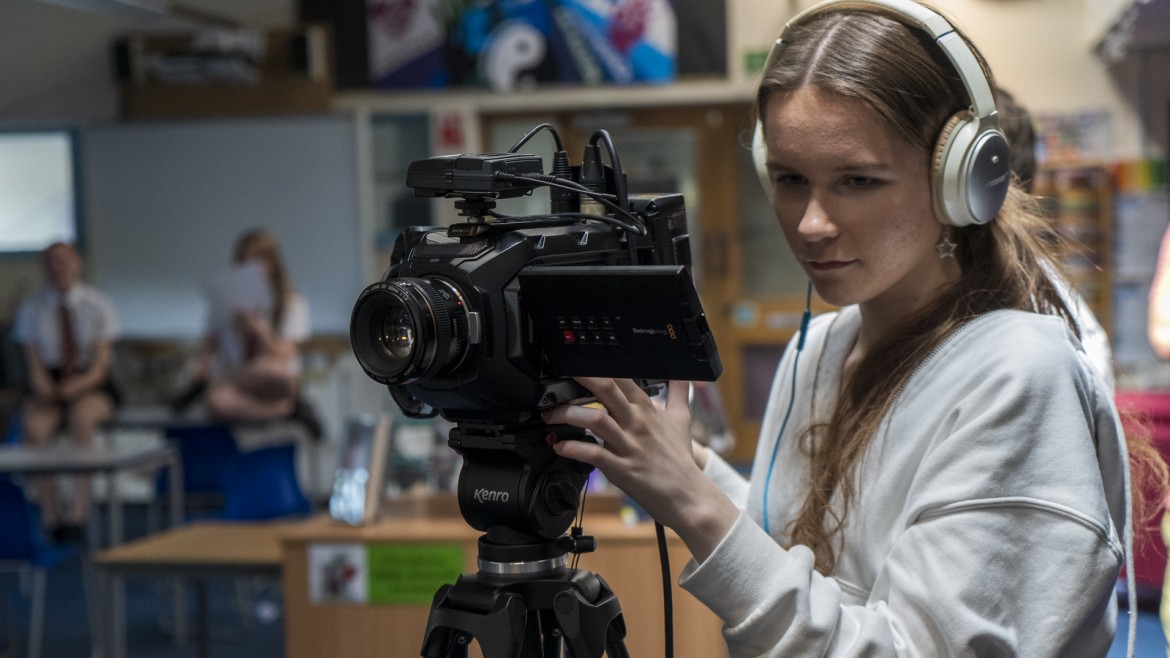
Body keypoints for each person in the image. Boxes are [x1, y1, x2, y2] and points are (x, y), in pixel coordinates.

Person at [543, 0, 1165, 654]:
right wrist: (682, 464)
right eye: (788, 178)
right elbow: (791, 553)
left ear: (960, 181)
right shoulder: (820, 346)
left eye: (858, 180)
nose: (810, 223)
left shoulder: (1020, 374)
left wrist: (694, 506)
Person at [14, 241, 120, 543]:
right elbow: (33, 364)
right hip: (51, 382)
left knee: (81, 420)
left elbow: (100, 368)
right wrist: (47, 388)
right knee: (34, 428)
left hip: (89, 382)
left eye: (64, 261)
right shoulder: (32, 309)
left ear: (78, 264)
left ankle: (78, 512)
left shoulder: (98, 305)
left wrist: (78, 386)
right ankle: (51, 513)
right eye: (51, 262)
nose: (58, 269)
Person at [183, 229, 313, 425]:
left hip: (273, 379)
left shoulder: (292, 303)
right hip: (240, 385)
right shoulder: (224, 304)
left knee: (273, 371)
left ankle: (229, 378)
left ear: (272, 264)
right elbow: (207, 349)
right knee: (218, 402)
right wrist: (202, 366)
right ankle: (283, 410)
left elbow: (284, 356)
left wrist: (258, 327)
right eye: (244, 261)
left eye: (257, 260)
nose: (250, 268)